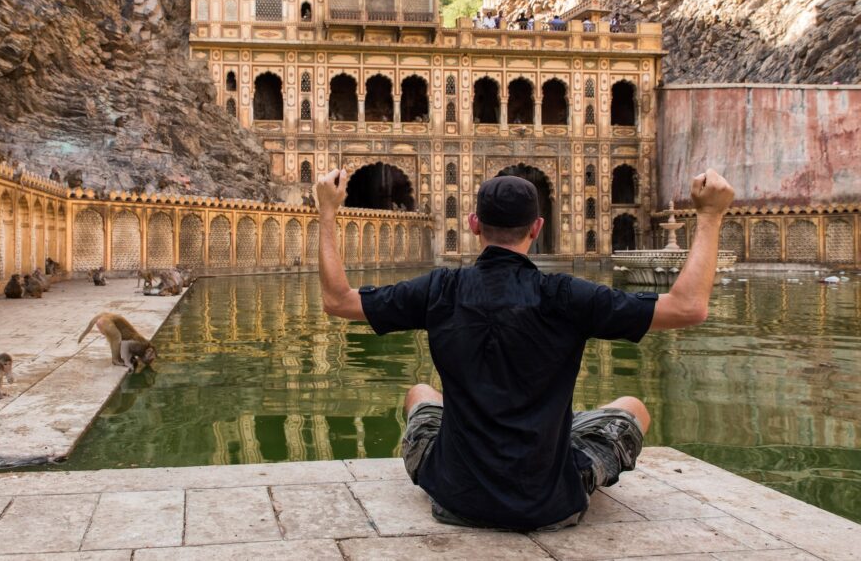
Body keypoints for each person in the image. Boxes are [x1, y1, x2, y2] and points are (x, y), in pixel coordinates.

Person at [313, 167, 734, 531]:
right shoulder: (566, 294)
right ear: (537, 227)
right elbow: (688, 307)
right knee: (632, 407)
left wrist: (327, 212)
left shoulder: (440, 289)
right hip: (549, 503)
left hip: (456, 498)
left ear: (474, 224)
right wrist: (710, 216)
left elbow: (338, 301)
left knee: (420, 393)